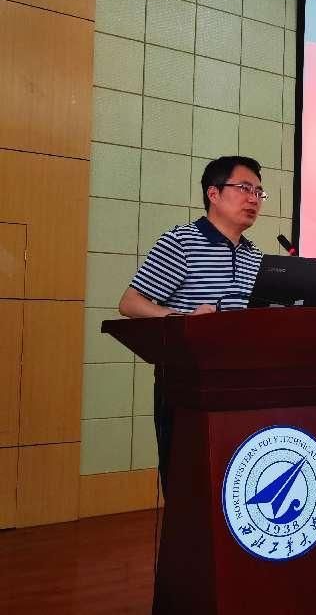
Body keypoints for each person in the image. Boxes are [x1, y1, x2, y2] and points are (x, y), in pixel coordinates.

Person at [118, 155, 267, 492]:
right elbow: (130, 303)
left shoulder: (254, 256)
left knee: (237, 480)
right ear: (213, 193)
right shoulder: (181, 242)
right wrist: (183, 320)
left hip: (243, 379)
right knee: (189, 480)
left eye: (259, 192)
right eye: (244, 188)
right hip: (188, 379)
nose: (254, 199)